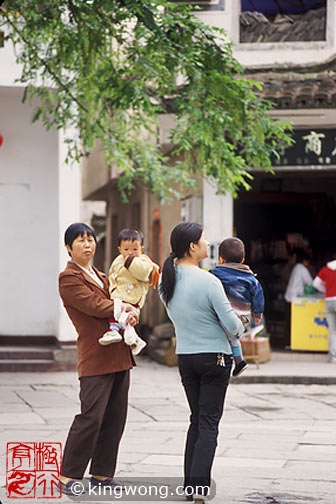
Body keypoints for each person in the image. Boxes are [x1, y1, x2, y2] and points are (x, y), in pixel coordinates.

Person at [159, 222, 244, 503]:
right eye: (204, 239)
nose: (208, 243)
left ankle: (189, 486)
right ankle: (198, 490)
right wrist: (243, 321)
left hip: (186, 358)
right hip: (215, 359)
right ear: (192, 247)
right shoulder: (209, 281)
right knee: (208, 424)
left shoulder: (166, 281)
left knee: (196, 420)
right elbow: (232, 325)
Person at [58, 223, 139, 496]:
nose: (87, 245)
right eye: (80, 241)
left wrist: (131, 311)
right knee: (90, 417)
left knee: (115, 418)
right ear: (69, 247)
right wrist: (122, 307)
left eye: (90, 239)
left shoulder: (102, 275)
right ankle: (68, 476)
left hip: (119, 354)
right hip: (95, 356)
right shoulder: (68, 278)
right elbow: (93, 305)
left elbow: (119, 299)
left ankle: (102, 474)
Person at [99, 229, 160, 355]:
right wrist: (112, 290)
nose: (130, 253)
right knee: (124, 320)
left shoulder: (144, 261)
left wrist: (130, 262)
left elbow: (144, 273)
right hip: (119, 295)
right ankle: (135, 340)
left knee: (119, 316)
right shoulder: (117, 260)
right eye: (126, 249)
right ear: (120, 249)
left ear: (141, 249)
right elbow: (113, 274)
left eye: (135, 249)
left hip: (132, 297)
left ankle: (114, 331)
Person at [209, 237, 264, 377]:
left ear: (221, 259)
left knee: (227, 333)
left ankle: (239, 361)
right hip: (244, 316)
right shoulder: (251, 278)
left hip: (225, 314)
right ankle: (238, 360)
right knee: (233, 335)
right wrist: (257, 315)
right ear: (242, 260)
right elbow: (258, 296)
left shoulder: (214, 274)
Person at [284, 249, 313, 346]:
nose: (308, 264)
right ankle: (291, 343)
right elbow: (311, 283)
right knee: (293, 324)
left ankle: (288, 343)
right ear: (304, 261)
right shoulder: (302, 269)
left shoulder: (297, 267)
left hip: (289, 298)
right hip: (293, 300)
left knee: (289, 323)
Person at [313, 258, 336, 363]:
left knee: (332, 330)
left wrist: (325, 291)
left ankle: (333, 357)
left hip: (329, 301)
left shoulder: (326, 269)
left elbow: (316, 283)